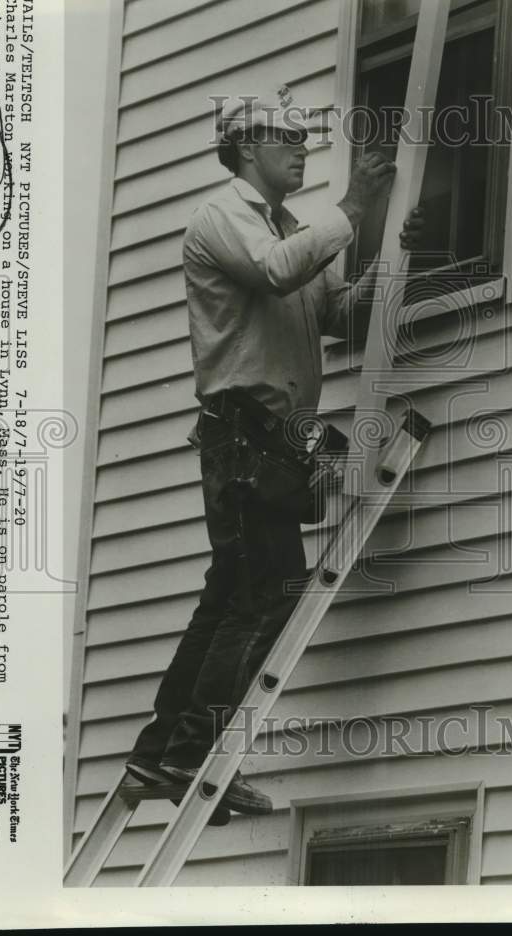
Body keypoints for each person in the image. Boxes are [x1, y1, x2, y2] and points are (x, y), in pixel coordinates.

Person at [125, 85, 424, 824]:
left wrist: (394, 256)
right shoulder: (223, 216)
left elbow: (332, 312)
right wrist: (352, 211)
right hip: (244, 433)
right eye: (287, 139)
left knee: (234, 595)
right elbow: (276, 271)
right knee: (264, 595)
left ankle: (160, 752)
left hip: (274, 439)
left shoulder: (289, 225)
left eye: (303, 139)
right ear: (247, 145)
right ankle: (192, 756)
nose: (301, 149)